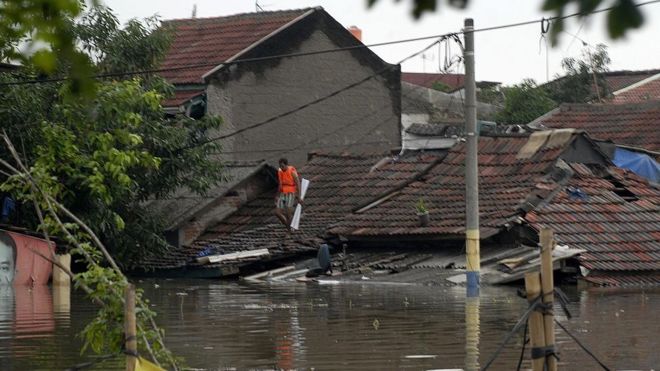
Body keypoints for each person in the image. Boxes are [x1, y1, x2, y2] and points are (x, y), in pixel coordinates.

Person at [275, 158, 302, 233]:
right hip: (283, 193)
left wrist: (299, 196)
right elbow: (280, 185)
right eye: (280, 166)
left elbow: (298, 183)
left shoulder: (292, 171)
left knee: (288, 213)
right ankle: (288, 226)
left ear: (286, 165)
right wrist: (277, 196)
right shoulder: (280, 171)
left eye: (282, 166)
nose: (281, 168)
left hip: (291, 192)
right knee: (277, 212)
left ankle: (289, 230)